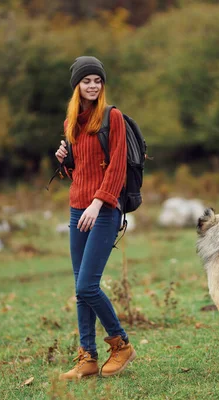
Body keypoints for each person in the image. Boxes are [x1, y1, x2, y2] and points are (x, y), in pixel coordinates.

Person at [55, 56, 136, 380]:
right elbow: (80, 171)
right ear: (77, 85)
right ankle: (87, 357)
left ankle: (122, 344)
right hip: (77, 207)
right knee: (80, 287)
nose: (92, 85)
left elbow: (116, 167)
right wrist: (64, 160)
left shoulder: (111, 117)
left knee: (88, 285)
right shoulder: (71, 121)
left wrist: (98, 203)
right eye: (86, 80)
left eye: (97, 80)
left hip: (103, 210)